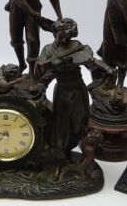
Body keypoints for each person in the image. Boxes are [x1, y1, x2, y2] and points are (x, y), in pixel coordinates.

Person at [36, 18, 93, 160]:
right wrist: (40, 69)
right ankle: (62, 155)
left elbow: (88, 63)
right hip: (62, 90)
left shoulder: (77, 45)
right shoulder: (48, 49)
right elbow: (45, 75)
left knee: (80, 123)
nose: (63, 40)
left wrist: (93, 64)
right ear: (55, 32)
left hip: (78, 90)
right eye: (61, 36)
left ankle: (86, 154)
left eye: (67, 37)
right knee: (61, 126)